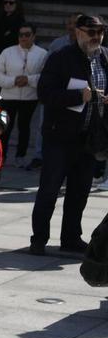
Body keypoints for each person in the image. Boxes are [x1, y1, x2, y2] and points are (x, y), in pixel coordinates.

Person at [31, 14, 107, 256]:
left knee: (79, 192)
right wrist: (77, 96)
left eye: (101, 32)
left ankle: (71, 237)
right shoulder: (61, 58)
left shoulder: (104, 57)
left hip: (89, 137)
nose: (97, 37)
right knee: (49, 190)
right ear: (78, 32)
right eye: (91, 32)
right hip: (59, 137)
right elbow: (45, 94)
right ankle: (39, 239)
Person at [0, 22, 46, 167]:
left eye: (27, 35)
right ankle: (0, 156)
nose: (23, 38)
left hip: (29, 97)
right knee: (5, 126)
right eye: (21, 35)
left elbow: (45, 75)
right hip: (8, 96)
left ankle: (20, 156)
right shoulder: (7, 52)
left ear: (33, 36)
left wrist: (28, 80)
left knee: (24, 127)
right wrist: (13, 81)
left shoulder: (42, 54)